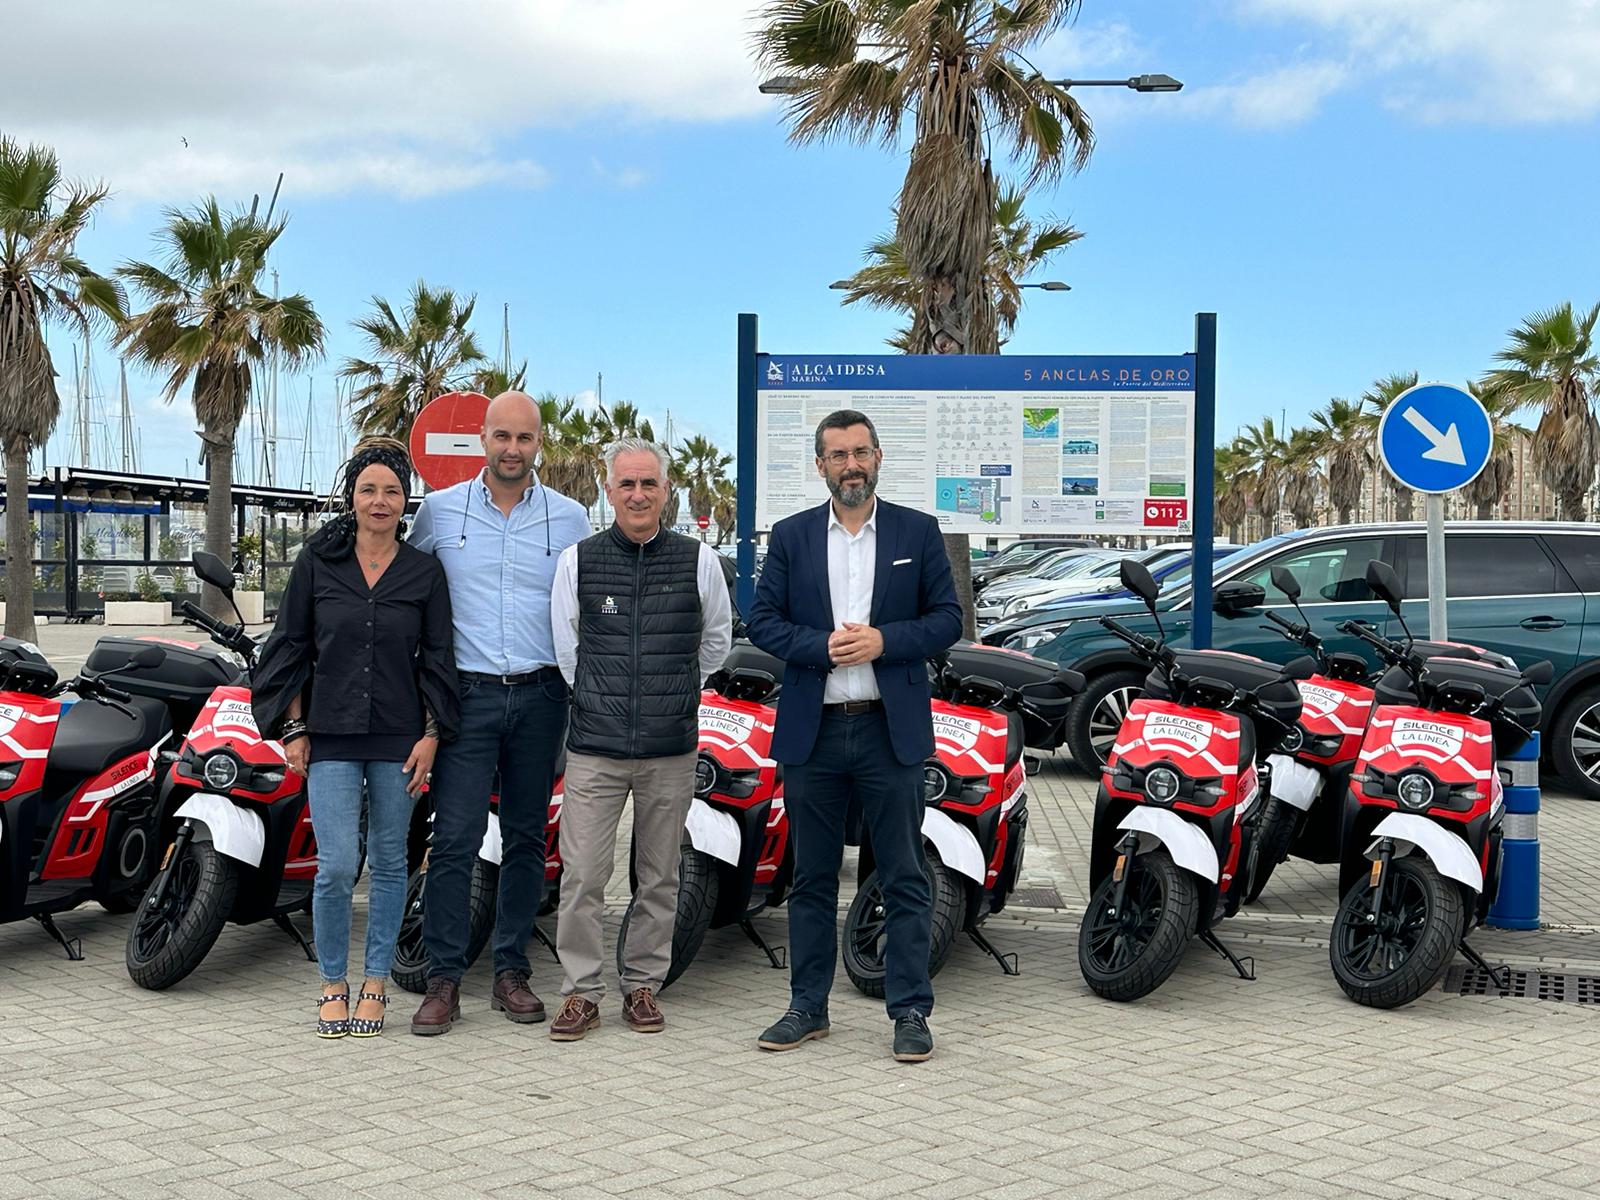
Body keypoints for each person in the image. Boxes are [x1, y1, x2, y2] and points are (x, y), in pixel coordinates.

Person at [745, 409, 961, 1063]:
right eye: (837, 455)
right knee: (811, 879)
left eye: (860, 452)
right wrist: (821, 648)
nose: (851, 465)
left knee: (903, 876)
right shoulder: (790, 537)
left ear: (878, 457)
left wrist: (885, 641)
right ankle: (807, 1008)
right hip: (813, 734)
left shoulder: (917, 533)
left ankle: (910, 1012)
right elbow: (762, 621)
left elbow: (949, 618)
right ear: (820, 466)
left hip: (886, 731)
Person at [253, 437, 459, 1039]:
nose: (380, 500)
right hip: (331, 738)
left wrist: (431, 735)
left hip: (400, 739)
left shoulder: (425, 571)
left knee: (391, 863)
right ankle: (331, 984)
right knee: (338, 865)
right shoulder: (320, 563)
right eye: (368, 489)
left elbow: (439, 660)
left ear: (405, 501)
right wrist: (293, 728)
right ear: (352, 496)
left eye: (391, 491)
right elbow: (290, 648)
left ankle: (376, 984)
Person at [405, 391, 592, 1035]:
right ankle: (443, 979)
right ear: (482, 438)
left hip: (543, 698)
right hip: (467, 699)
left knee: (526, 840)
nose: (513, 449)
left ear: (540, 443)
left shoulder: (572, 520)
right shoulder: (438, 512)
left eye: (525, 439)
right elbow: (410, 598)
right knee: (453, 840)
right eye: (502, 437)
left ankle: (511, 970)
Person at [547, 437, 732, 1041]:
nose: (637, 494)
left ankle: (643, 986)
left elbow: (715, 646)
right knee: (581, 876)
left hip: (669, 750)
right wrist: (606, 701)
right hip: (595, 750)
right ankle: (580, 992)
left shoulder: (700, 562)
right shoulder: (578, 561)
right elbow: (567, 652)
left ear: (665, 490)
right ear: (608, 491)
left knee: (659, 877)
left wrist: (672, 692)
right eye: (626, 484)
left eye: (648, 483)